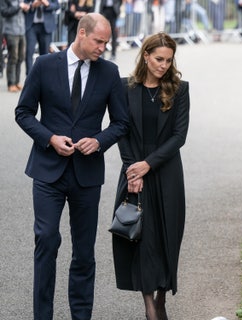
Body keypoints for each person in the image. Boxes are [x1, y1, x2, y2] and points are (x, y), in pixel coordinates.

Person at [14, 13, 128, 319]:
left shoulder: (109, 72)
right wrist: (49, 138)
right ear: (81, 33)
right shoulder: (44, 66)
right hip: (47, 171)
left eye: (106, 42)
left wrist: (100, 141)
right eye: (98, 41)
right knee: (47, 240)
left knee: (84, 252)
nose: (104, 47)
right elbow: (23, 112)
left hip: (87, 174)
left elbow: (121, 123)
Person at [113, 32, 190, 320]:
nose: (164, 65)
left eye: (169, 60)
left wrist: (148, 164)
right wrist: (133, 168)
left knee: (168, 235)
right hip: (134, 171)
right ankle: (149, 308)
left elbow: (179, 136)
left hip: (166, 170)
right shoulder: (124, 88)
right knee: (141, 237)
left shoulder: (180, 89)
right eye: (159, 59)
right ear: (145, 56)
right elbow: (121, 131)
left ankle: (161, 298)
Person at [24, 0, 59, 75]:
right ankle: (29, 77)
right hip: (31, 26)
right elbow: (23, 4)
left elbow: (56, 6)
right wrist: (32, 5)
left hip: (46, 27)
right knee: (29, 52)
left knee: (44, 54)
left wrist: (47, 4)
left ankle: (43, 77)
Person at [0, 0, 28, 92]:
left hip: (21, 30)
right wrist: (19, 7)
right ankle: (11, 83)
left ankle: (17, 82)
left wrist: (25, 8)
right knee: (13, 57)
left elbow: (23, 11)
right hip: (10, 31)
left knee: (21, 57)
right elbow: (4, 12)